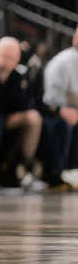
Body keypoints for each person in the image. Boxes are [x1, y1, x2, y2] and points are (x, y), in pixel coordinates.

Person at [0, 36, 43, 191]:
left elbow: (25, 103)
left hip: (5, 118)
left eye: (12, 58)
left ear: (17, 59)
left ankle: (24, 166)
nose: (7, 61)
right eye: (4, 56)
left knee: (34, 117)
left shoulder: (16, 76)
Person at [40, 24, 78, 189]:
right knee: (66, 121)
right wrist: (63, 110)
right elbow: (50, 99)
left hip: (73, 109)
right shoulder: (63, 61)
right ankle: (58, 173)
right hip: (54, 110)